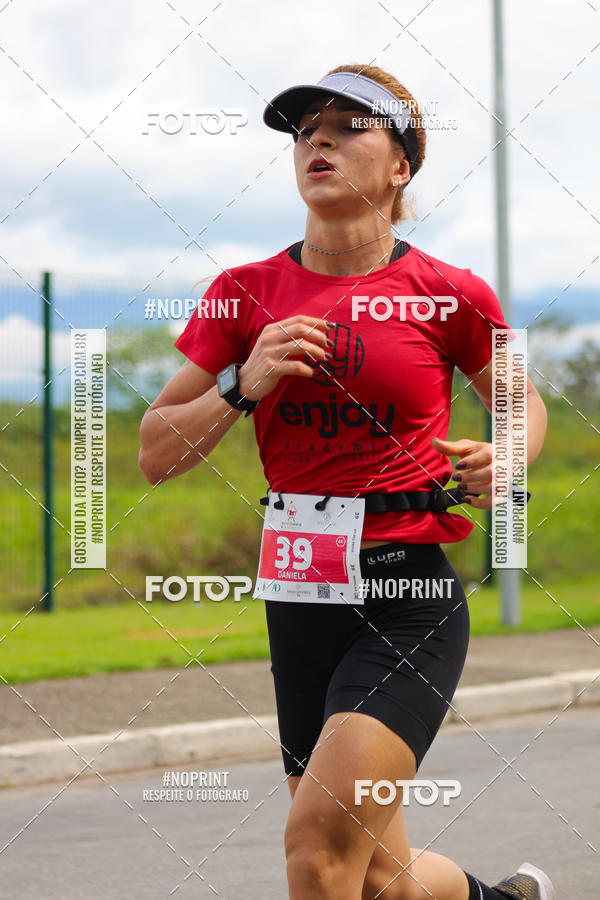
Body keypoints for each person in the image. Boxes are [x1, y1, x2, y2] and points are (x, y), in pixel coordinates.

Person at [139, 64, 554, 900]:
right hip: (298, 596)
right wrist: (242, 383)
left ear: (401, 165)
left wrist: (503, 460)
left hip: (407, 596)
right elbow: (157, 451)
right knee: (376, 881)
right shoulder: (242, 295)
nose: (317, 140)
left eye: (349, 125)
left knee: (318, 849)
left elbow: (524, 403)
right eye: (304, 130)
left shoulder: (449, 293)